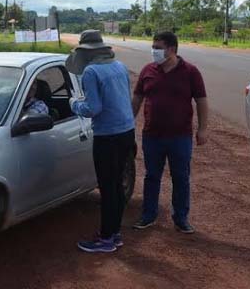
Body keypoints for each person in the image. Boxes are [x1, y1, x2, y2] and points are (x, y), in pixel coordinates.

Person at [67, 30, 136, 253]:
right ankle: (114, 234)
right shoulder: (120, 67)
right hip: (127, 131)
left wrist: (74, 103)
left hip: (107, 136)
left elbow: (93, 108)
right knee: (116, 185)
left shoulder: (91, 71)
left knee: (107, 188)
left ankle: (106, 239)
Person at [132, 31, 208, 234]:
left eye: (158, 48)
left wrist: (202, 129)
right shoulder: (148, 70)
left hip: (180, 137)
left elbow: (201, 101)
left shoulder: (190, 72)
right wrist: (129, 122)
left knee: (181, 177)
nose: (154, 51)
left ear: (171, 49)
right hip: (152, 135)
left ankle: (181, 218)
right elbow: (137, 98)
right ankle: (148, 215)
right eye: (153, 47)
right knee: (151, 176)